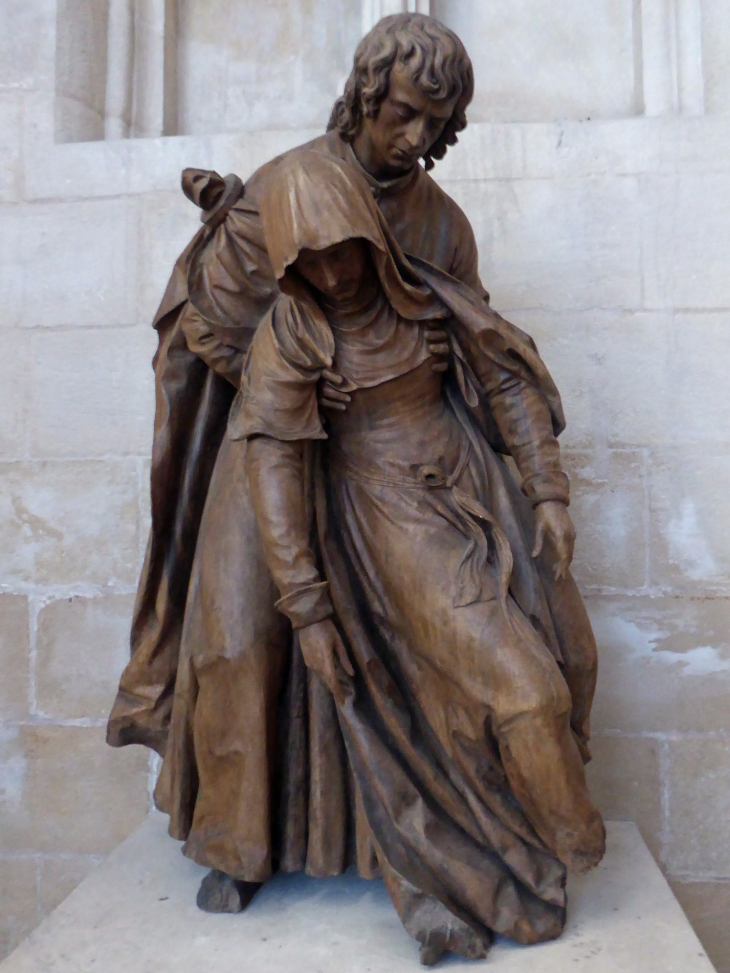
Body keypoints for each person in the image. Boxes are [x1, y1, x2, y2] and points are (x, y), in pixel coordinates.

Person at [106, 13, 602, 958]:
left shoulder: (438, 223)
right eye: (406, 113)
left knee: (490, 643)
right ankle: (239, 842)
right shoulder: (284, 193)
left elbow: (482, 353)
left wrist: (541, 484)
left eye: (436, 123)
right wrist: (278, 343)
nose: (416, 138)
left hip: (401, 455)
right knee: (238, 631)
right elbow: (203, 326)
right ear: (368, 95)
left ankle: (435, 844)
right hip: (278, 436)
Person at [236, 149, 605, 965]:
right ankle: (554, 845)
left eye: (344, 250)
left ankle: (520, 852)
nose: (334, 274)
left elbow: (505, 381)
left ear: (371, 236)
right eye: (312, 260)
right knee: (523, 692)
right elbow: (273, 468)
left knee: (571, 657)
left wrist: (546, 492)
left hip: (480, 492)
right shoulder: (293, 334)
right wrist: (308, 609)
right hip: (388, 515)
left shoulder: (426, 297)